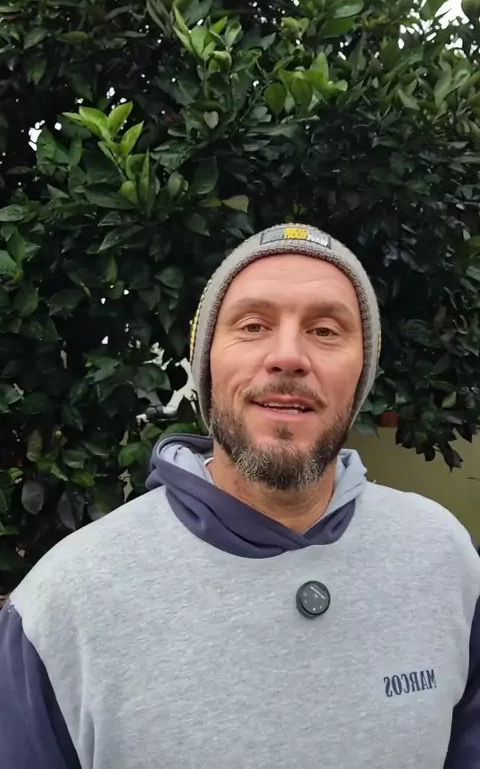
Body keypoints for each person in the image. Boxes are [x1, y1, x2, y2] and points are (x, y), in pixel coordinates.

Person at [0, 222, 479, 769]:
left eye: (325, 330)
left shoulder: (444, 557)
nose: (288, 356)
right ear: (207, 364)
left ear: (361, 375)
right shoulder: (65, 601)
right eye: (253, 326)